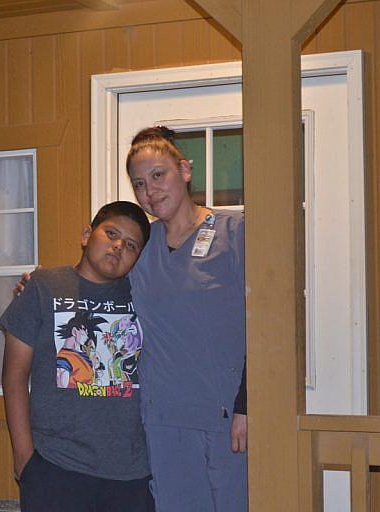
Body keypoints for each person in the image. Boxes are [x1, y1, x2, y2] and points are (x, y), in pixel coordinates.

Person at [0, 201, 155, 512]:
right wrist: (24, 457)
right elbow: (14, 377)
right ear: (87, 235)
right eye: (111, 233)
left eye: (131, 245)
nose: (118, 246)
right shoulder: (44, 287)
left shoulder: (147, 295)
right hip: (55, 466)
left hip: (132, 472)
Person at [126, 126, 247, 512]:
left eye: (158, 175)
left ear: (185, 170)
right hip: (162, 421)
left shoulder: (236, 233)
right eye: (139, 183)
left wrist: (249, 405)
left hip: (227, 420)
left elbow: (268, 327)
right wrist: (41, 283)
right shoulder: (140, 247)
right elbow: (95, 286)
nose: (150, 191)